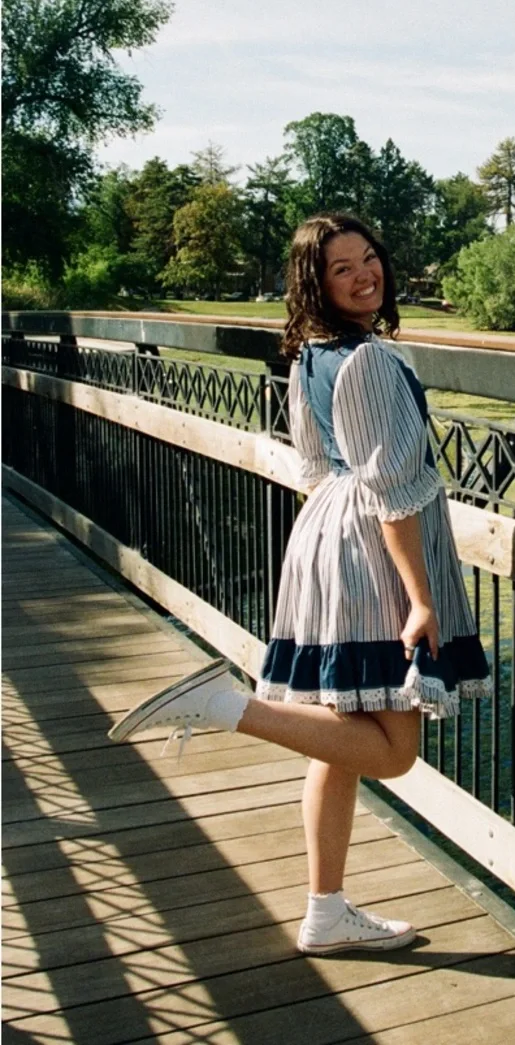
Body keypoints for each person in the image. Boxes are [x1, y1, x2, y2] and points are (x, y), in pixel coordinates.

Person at [108, 213, 492, 955]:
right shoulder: (371, 361)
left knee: (338, 741)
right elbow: (394, 491)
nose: (364, 274)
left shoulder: (310, 357)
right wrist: (419, 597)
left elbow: (316, 467)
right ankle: (223, 704)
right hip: (371, 552)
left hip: (324, 534)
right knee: (391, 749)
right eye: (342, 267)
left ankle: (325, 910)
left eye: (368, 257)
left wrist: (333, 550)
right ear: (315, 283)